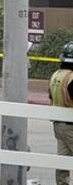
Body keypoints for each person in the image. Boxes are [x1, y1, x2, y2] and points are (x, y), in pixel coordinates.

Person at [49, 42, 73, 185]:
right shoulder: (71, 78)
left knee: (62, 160)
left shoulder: (56, 75)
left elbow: (51, 97)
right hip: (70, 125)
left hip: (58, 125)